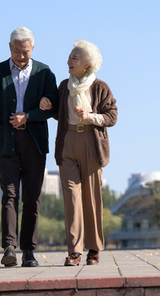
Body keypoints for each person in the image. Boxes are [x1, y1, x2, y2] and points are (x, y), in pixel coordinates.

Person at [0, 27, 59, 268]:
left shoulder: (44, 73)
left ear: (33, 49)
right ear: (9, 47)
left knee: (32, 198)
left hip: (34, 142)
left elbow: (55, 107)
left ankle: (29, 251)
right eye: (18, 51)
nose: (22, 56)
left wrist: (31, 115)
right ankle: (9, 248)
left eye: (26, 52)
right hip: (5, 142)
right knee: (10, 195)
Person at [39, 39, 117, 266]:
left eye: (75, 57)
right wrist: (47, 104)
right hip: (68, 142)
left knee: (91, 199)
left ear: (87, 64)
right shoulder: (64, 86)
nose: (69, 61)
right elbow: (59, 112)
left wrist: (90, 117)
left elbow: (112, 117)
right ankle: (74, 251)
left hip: (92, 143)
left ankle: (94, 249)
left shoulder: (100, 87)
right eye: (70, 56)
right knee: (71, 198)